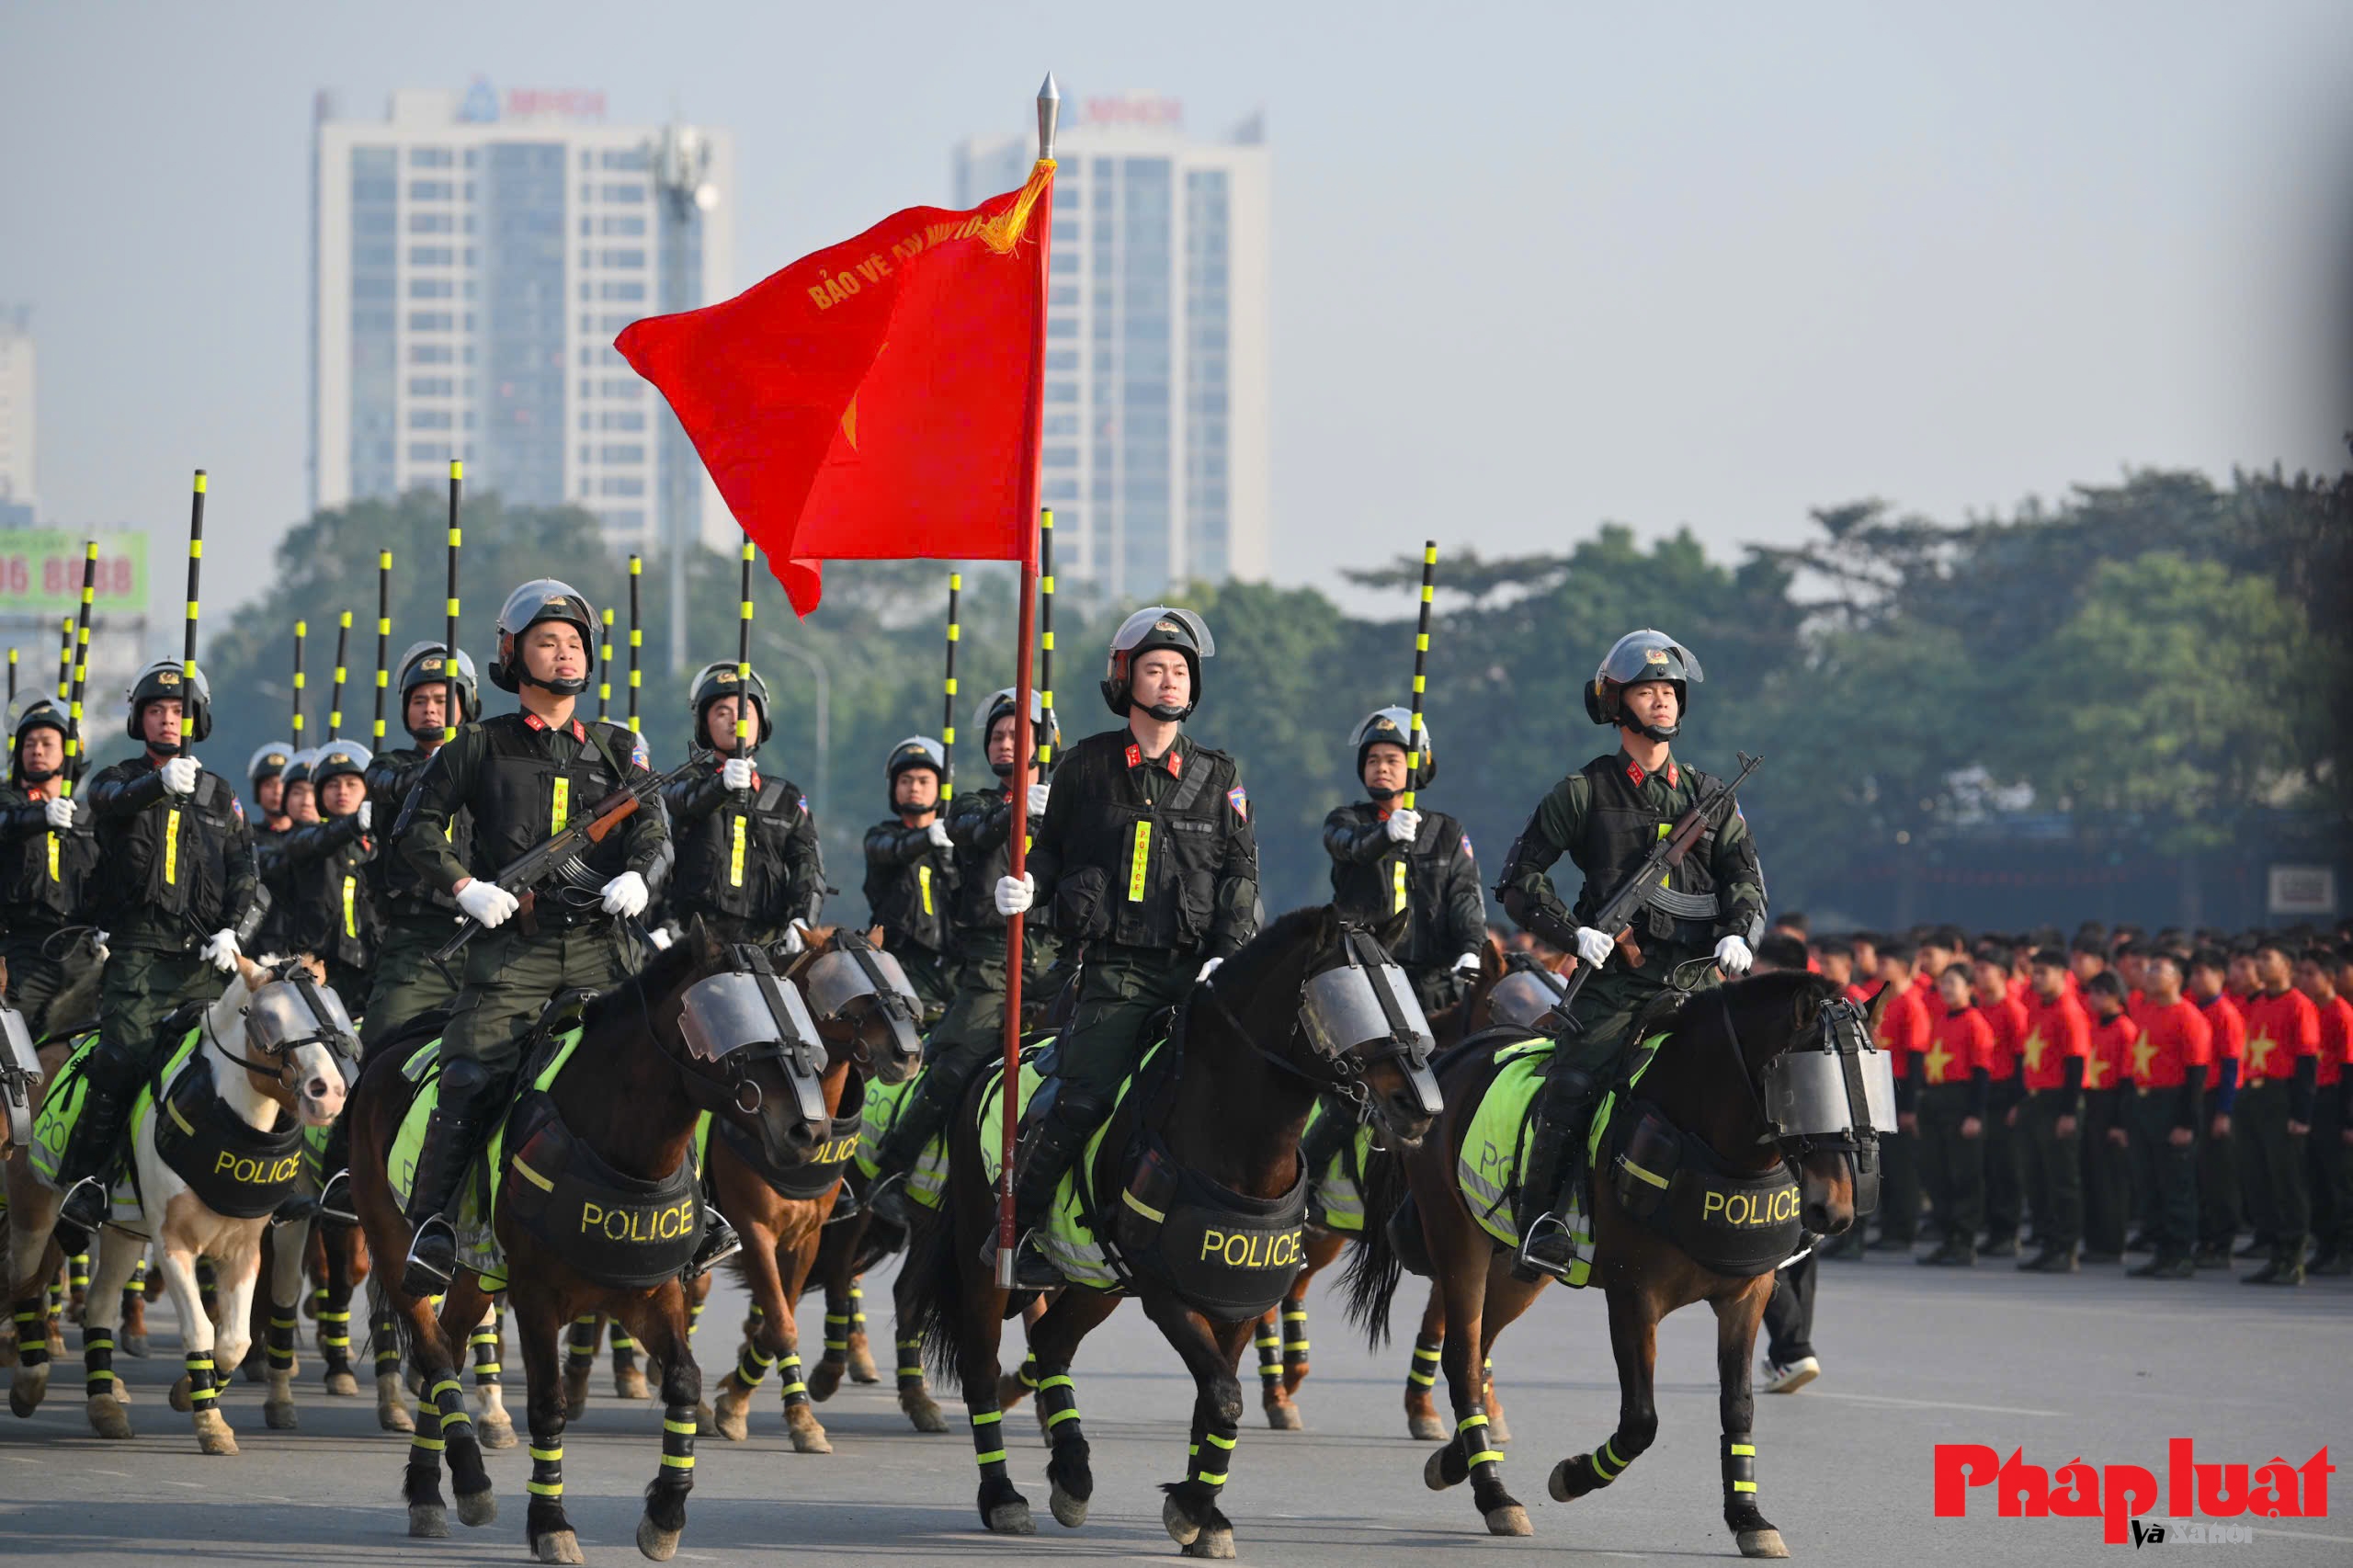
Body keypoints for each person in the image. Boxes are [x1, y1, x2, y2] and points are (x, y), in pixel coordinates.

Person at [389, 579, 671, 1296]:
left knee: (668, 1067)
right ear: (514, 656)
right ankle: (433, 1228)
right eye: (548, 641)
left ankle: (694, 1217)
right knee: (467, 1076)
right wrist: (464, 886)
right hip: (513, 953)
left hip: (605, 951)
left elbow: (655, 830)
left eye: (575, 642)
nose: (565, 652)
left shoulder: (616, 750)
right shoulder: (476, 744)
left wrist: (640, 876)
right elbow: (416, 830)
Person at [990, 608, 1257, 1287]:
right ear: (1124, 679)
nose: (1170, 682)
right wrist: (1023, 882)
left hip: (1197, 971)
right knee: (1082, 1097)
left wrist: (1231, 951)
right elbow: (1048, 853)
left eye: (1179, 671)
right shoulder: (1086, 765)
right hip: (1115, 971)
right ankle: (1020, 1234)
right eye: (1155, 669)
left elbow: (1239, 874)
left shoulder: (1221, 773)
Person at [1494, 629, 1766, 1278]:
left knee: (1760, 1080)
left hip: (1699, 980)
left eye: (1670, 691)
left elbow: (1745, 879)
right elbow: (1519, 879)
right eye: (1648, 691)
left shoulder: (1711, 796)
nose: (1663, 701)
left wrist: (1740, 931)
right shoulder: (1582, 792)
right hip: (1617, 981)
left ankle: (1768, 1219)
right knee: (1574, 1082)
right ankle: (1543, 1220)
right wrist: (1571, 933)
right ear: (1617, 704)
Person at [49, 661, 258, 1242]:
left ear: (198, 720)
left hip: (204, 959)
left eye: (180, 711)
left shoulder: (221, 794)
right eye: (157, 711)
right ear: (140, 720)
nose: (169, 720)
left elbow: (248, 871)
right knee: (122, 1060)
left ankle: (256, 1187)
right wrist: (157, 785)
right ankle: (86, 1182)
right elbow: (108, 803)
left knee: (247, 1062)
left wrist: (233, 930)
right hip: (139, 955)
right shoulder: (117, 778)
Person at [866, 689, 1063, 1221]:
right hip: (994, 961)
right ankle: (892, 1169)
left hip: (1062, 957)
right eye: (996, 736)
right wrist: (1019, 806)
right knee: (954, 1063)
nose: (1003, 743)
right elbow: (974, 834)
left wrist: (1058, 801)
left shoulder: (1069, 799)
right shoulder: (971, 805)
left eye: (1016, 735)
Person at [1295, 708, 1485, 1188]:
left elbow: (1464, 894)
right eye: (1373, 759)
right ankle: (1306, 1192)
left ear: (1418, 766)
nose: (1382, 766)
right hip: (1365, 983)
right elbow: (1348, 847)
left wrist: (1470, 947)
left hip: (1431, 980)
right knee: (1351, 1100)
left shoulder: (1445, 830)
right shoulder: (1346, 820)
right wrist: (1383, 835)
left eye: (1394, 759)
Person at [358, 643, 480, 1051]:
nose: (430, 708)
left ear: (466, 704)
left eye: (443, 700)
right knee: (376, 1045)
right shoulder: (387, 765)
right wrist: (443, 764)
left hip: (486, 937)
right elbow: (385, 786)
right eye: (420, 700)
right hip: (416, 945)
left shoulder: (490, 762)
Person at [656, 662, 824, 948]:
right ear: (704, 725)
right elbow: (681, 800)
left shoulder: (786, 798)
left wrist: (802, 918)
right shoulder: (685, 781)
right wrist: (719, 786)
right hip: (690, 939)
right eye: (722, 712)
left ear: (762, 721)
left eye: (745, 712)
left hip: (763, 942)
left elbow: (807, 864)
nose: (736, 720)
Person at [0, 695, 103, 1040]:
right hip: (23, 949)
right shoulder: (9, 804)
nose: (37, 751)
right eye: (29, 744)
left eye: (47, 743)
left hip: (81, 948)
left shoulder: (91, 817)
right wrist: (39, 817)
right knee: (10, 1041)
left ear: (69, 752)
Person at [1753, 934, 1822, 1392]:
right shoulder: (1829, 1015)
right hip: (1816, 1151)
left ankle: (1795, 1350)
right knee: (1801, 1251)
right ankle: (1789, 1353)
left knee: (1761, 1252)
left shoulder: (1770, 1021)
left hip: (1774, 1145)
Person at [2118, 951, 2210, 1279]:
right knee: (2149, 1181)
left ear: (2177, 979)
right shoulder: (2143, 1011)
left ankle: (2180, 1253)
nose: (2150, 974)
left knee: (2175, 1183)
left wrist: (2187, 1122)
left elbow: (2196, 1075)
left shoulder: (2188, 1017)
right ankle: (2160, 1250)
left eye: (2159, 970)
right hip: (2143, 1103)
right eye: (2150, 968)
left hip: (2171, 1103)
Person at [272, 738, 380, 1002]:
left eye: (352, 784)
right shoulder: (306, 838)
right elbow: (313, 843)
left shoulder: (381, 843)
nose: (342, 791)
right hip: (317, 967)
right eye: (332, 784)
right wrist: (352, 824)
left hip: (373, 967)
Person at [2236, 939, 2318, 1285]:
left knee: (2286, 1181)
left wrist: (2301, 1114)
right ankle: (2274, 1253)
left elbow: (2306, 1062)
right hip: (2253, 1096)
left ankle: (2293, 1257)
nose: (2259, 965)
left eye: (2267, 959)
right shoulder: (2257, 1004)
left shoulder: (2299, 1005)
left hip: (2280, 1096)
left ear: (2287, 965)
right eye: (2257, 959)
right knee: (2261, 1180)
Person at [862, 737, 959, 1021]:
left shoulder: (958, 843)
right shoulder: (881, 836)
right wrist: (926, 838)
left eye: (923, 780)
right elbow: (890, 850)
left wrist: (951, 854)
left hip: (954, 970)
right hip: (899, 964)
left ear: (941, 788)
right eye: (905, 780)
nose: (914, 787)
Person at [2014, 948, 2089, 1271]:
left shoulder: (2069, 1011)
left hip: (2058, 1101)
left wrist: (2069, 1112)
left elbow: (2075, 1064)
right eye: (2035, 972)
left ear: (2062, 975)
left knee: (2061, 1179)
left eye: (2045, 972)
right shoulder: (2036, 1008)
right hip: (2034, 1100)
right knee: (2037, 1178)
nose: (2037, 978)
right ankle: (2047, 1242)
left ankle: (2066, 1246)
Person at [1915, 963, 1992, 1267]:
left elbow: (1982, 1073)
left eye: (1953, 983)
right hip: (1935, 1101)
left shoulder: (1976, 1023)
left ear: (1970, 988)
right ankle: (1947, 1238)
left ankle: (1964, 1240)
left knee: (1964, 1175)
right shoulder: (1940, 1020)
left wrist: (1974, 1114)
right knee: (1938, 1173)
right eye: (1943, 983)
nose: (1945, 988)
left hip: (1961, 1101)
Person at [1867, 941, 1932, 1254]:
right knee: (1886, 1163)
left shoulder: (1912, 1005)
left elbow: (1917, 1060)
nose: (1879, 969)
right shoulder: (1883, 1000)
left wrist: (1910, 1108)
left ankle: (1904, 1228)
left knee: (1902, 1165)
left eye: (1885, 964)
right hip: (1881, 1085)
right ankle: (1889, 1226)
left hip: (1902, 1088)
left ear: (1903, 968)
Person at [2185, 949, 2246, 1268]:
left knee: (2219, 1175)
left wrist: (2224, 1111)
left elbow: (2233, 1066)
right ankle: (2205, 1238)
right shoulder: (2194, 1009)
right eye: (2193, 972)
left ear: (2221, 976)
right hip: (2196, 1097)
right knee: (2201, 1174)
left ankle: (2222, 1243)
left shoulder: (2225, 1013)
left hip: (2215, 1099)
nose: (2196, 979)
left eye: (2203, 972)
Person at [2293, 949, 2352, 1274]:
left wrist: (2348, 1120)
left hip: (2334, 1100)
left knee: (2338, 1180)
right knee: (2314, 1179)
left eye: (2310, 973)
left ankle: (2346, 1248)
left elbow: (2349, 1071)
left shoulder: (2341, 1013)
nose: (2303, 979)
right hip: (2312, 1100)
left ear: (2329, 977)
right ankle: (2326, 1245)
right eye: (2299, 972)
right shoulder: (2307, 1010)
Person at [1972, 946, 2029, 1257]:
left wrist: (2018, 1102)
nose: (1978, 975)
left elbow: (2022, 1058)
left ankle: (2008, 1231)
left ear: (2003, 975)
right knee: (1989, 1167)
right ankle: (1993, 1229)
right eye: (1976, 969)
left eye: (1985, 969)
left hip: (2007, 1092)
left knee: (2007, 1168)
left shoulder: (2013, 1010)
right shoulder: (1978, 1007)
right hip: (1985, 1091)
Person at [2078, 971, 2137, 1264]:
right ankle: (2094, 1240)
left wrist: (2119, 1122)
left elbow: (2128, 1080)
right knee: (2091, 1176)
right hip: (2092, 1101)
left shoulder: (2125, 1029)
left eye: (2101, 993)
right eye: (2092, 993)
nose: (2094, 999)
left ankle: (2112, 1243)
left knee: (2110, 1180)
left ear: (2116, 995)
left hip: (2112, 1102)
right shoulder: (2092, 1027)